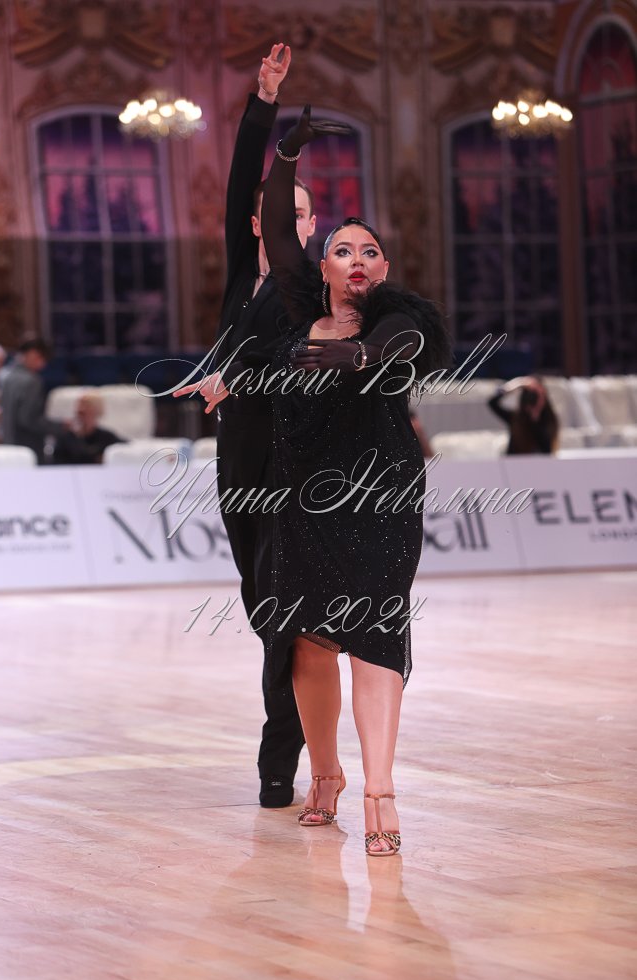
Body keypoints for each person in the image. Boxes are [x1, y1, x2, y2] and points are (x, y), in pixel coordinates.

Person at [177, 107, 451, 855]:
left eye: (370, 251)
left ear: (382, 269)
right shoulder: (294, 317)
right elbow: (271, 225)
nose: (357, 258)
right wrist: (289, 150)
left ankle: (380, 790)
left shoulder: (399, 321)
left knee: (376, 638)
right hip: (301, 501)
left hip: (380, 502)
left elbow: (394, 348)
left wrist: (344, 358)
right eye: (342, 249)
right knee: (307, 642)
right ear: (318, 265)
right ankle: (325, 776)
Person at [210, 44, 317, 808]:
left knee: (281, 612)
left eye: (303, 213)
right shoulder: (239, 275)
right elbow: (241, 178)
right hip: (236, 468)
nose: (293, 220)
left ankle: (279, 761)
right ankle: (292, 726)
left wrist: (236, 379)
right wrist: (265, 103)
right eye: (282, 210)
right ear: (257, 222)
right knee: (261, 608)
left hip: (292, 472)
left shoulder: (310, 292)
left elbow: (299, 370)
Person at [0, 336, 67, 463]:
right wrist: (60, 427)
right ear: (32, 354)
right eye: (42, 358)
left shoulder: (4, 376)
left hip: (8, 446)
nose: (43, 365)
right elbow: (29, 419)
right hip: (28, 449)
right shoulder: (32, 382)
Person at [488, 376, 559, 454]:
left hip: (539, 461)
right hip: (515, 460)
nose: (534, 398)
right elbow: (492, 402)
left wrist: (535, 416)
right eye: (530, 395)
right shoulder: (515, 419)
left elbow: (547, 451)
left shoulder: (549, 420)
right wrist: (516, 384)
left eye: (538, 395)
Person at [53, 392, 124, 464]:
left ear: (97, 412)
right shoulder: (66, 438)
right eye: (79, 412)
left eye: (87, 409)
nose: (81, 409)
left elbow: (126, 448)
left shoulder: (107, 438)